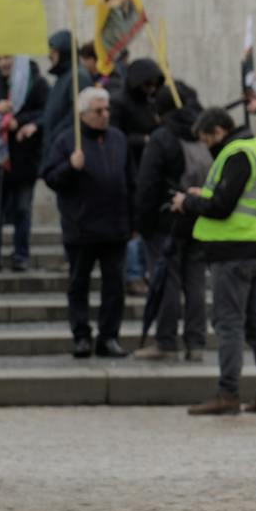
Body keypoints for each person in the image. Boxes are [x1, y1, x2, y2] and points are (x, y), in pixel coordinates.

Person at [174, 107, 256, 415]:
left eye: (207, 139)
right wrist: (203, 194)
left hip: (232, 251)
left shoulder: (236, 153)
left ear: (219, 131)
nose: (207, 146)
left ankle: (228, 393)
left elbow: (222, 206)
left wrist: (189, 201)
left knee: (229, 323)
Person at [40, 86, 131, 359]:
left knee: (115, 287)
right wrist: (70, 166)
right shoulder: (67, 141)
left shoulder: (117, 138)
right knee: (78, 285)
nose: (105, 115)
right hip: (81, 227)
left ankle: (109, 337)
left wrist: (132, 219)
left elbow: (131, 179)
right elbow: (51, 178)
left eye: (107, 110)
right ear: (83, 114)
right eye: (98, 111)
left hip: (114, 227)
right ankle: (81, 336)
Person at [133, 86, 210, 362]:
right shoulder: (202, 135)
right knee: (196, 282)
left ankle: (166, 342)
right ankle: (196, 343)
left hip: (166, 222)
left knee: (167, 280)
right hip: (199, 218)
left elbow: (148, 184)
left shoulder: (162, 138)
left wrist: (142, 222)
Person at [0, 55, 48, 273]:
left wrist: (21, 122)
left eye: (8, 59)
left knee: (22, 210)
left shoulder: (36, 83)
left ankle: (20, 256)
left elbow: (45, 114)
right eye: (0, 59)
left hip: (24, 159)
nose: (4, 63)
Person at [109, 58, 166, 296]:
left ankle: (143, 272)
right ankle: (132, 274)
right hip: (129, 167)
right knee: (133, 227)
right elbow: (116, 135)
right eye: (147, 85)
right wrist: (143, 140)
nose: (151, 90)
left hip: (149, 170)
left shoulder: (151, 103)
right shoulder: (119, 103)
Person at [41, 31, 94, 166]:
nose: (50, 55)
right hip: (57, 148)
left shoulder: (78, 77)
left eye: (53, 51)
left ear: (64, 51)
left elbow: (76, 115)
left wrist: (55, 135)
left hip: (67, 150)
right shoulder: (64, 76)